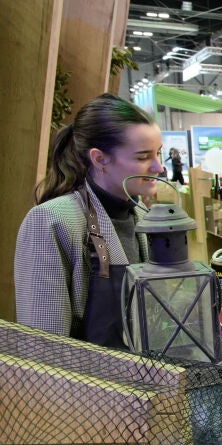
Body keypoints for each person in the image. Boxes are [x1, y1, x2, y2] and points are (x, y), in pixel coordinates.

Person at [14, 93, 163, 348]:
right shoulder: (51, 221)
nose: (158, 167)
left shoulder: (144, 220)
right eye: (143, 157)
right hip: (80, 374)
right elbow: (43, 346)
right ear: (100, 159)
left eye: (158, 153)